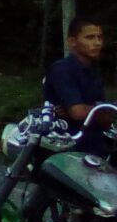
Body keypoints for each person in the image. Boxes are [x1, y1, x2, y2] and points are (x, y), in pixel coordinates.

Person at [44, 17, 111, 157]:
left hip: (92, 146)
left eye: (100, 37)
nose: (97, 43)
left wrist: (101, 110)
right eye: (90, 37)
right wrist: (101, 109)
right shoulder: (62, 69)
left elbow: (107, 118)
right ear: (72, 41)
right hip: (64, 147)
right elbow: (78, 112)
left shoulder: (94, 72)